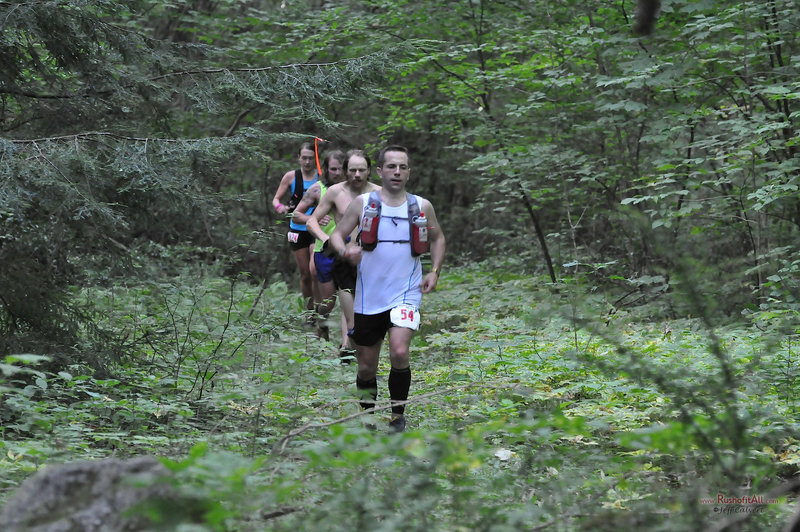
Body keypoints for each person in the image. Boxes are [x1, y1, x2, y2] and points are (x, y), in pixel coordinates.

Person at [329, 145, 446, 432]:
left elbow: (438, 238)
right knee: (366, 366)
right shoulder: (364, 203)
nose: (397, 172)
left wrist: (434, 271)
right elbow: (336, 235)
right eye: (391, 167)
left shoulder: (422, 206)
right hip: (369, 297)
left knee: (399, 351)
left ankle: (397, 417)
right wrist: (346, 251)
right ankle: (368, 418)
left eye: (402, 167)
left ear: (408, 172)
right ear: (380, 171)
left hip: (406, 293)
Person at [306, 149, 380, 362]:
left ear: (369, 171)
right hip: (344, 259)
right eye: (353, 170)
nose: (357, 175)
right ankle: (350, 351)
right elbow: (312, 221)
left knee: (368, 311)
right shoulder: (335, 192)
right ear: (346, 171)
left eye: (361, 170)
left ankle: (355, 351)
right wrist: (328, 240)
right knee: (346, 310)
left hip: (372, 260)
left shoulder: (380, 193)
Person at [292, 150, 347, 343]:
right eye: (333, 169)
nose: (338, 173)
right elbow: (296, 215)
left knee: (349, 298)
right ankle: (321, 329)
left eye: (341, 169)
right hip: (324, 250)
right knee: (328, 303)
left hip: (349, 251)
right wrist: (313, 218)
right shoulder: (317, 189)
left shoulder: (353, 189)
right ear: (325, 169)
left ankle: (348, 345)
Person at [271, 142, 321, 319]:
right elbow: (276, 199)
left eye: (311, 158)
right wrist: (281, 208)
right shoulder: (291, 177)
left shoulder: (321, 177)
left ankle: (319, 310)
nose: (307, 162)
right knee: (305, 274)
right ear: (299, 158)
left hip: (316, 229)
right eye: (304, 158)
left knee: (314, 271)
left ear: (316, 159)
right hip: (297, 229)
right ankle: (309, 313)